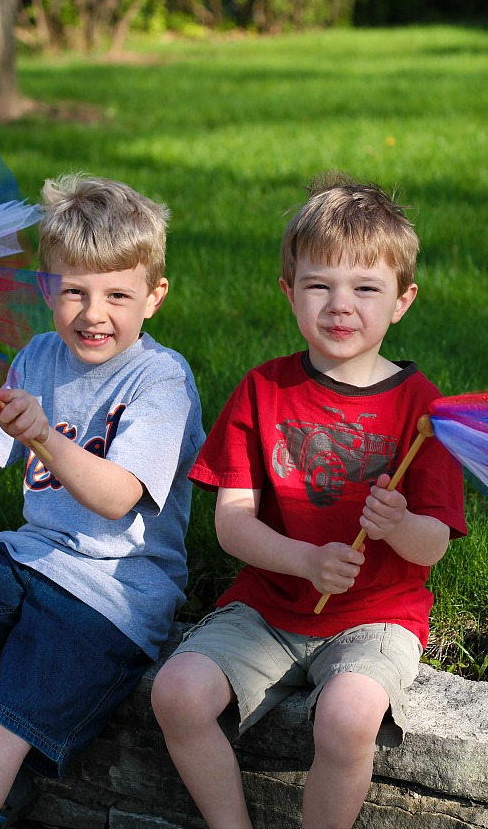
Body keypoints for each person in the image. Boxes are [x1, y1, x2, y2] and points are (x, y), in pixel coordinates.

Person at [152, 172, 467, 829]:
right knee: (177, 693)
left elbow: (432, 543)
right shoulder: (261, 389)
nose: (339, 304)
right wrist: (303, 559)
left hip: (375, 615)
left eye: (364, 288)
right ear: (288, 292)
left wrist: (399, 522)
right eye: (318, 284)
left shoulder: (423, 412)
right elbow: (232, 522)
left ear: (402, 300)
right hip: (266, 604)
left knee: (348, 717)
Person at [0, 173, 204, 829]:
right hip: (27, 559)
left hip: (110, 594)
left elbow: (116, 495)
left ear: (154, 296)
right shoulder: (40, 354)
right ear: (47, 288)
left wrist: (43, 435)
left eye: (116, 294)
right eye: (73, 289)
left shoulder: (161, 378)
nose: (92, 312)